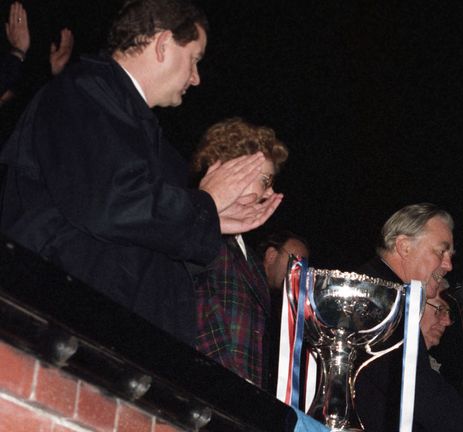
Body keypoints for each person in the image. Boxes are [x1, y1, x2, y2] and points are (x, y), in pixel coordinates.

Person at [0, 0, 272, 345]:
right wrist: (205, 204)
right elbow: (110, 203)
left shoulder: (148, 135)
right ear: (162, 44)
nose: (196, 78)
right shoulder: (81, 91)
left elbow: (160, 240)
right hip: (59, 336)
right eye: (195, 59)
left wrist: (211, 217)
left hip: (116, 344)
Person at [354, 203, 463, 432]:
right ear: (404, 246)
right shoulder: (378, 294)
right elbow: (412, 382)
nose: (448, 265)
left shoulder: (386, 290)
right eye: (441, 251)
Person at [192, 118, 285, 389]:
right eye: (265, 180)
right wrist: (230, 381)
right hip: (212, 389)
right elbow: (200, 308)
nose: (271, 191)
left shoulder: (249, 254)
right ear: (234, 171)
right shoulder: (199, 230)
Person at [255, 230, 310, 391]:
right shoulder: (246, 282)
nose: (299, 273)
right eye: (295, 262)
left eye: (303, 268)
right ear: (271, 255)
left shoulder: (278, 304)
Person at [421, 279, 453, 372]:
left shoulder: (431, 368)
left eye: (448, 313)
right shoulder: (383, 360)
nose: (447, 322)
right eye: (440, 309)